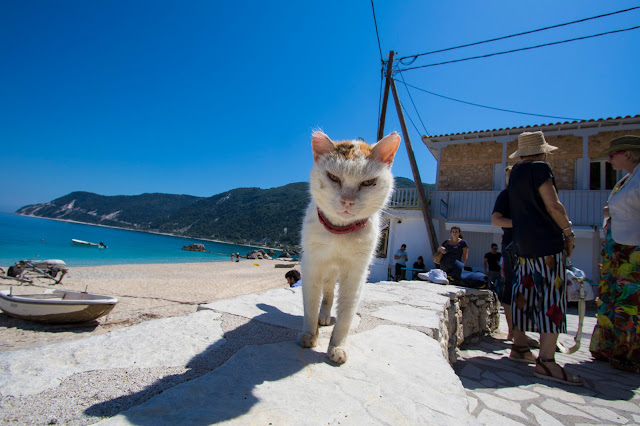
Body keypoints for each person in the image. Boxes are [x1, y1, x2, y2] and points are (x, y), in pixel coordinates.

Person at [507, 130, 583, 385]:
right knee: (552, 295)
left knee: (524, 292)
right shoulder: (540, 168)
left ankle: (519, 347)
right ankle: (547, 361)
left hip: (522, 244)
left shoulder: (514, 174)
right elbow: (553, 206)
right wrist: (569, 233)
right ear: (542, 151)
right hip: (546, 244)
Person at [589, 135, 640, 373]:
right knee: (613, 297)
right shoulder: (627, 179)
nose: (608, 159)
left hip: (632, 251)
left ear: (628, 153)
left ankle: (629, 352)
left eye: (613, 154)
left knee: (629, 301)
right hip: (618, 250)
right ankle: (610, 346)